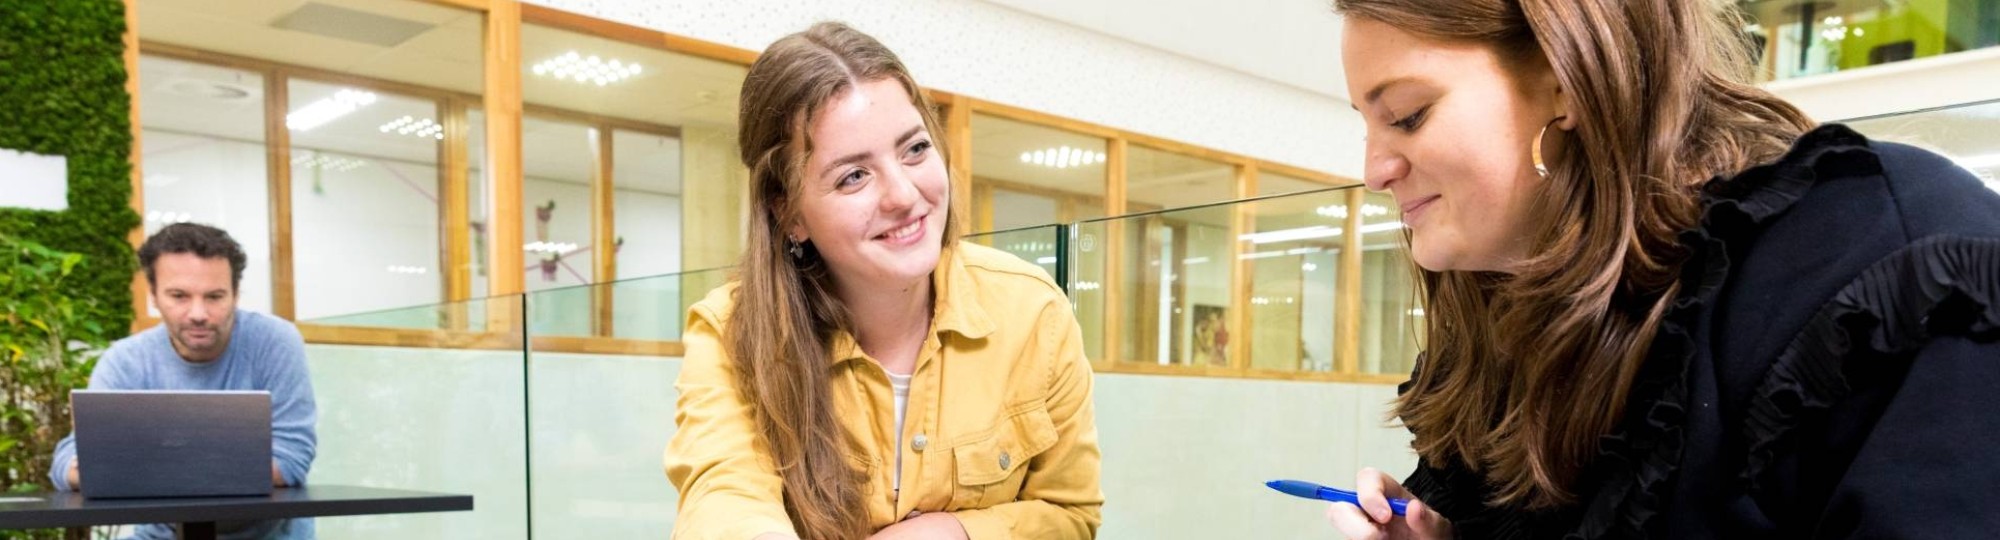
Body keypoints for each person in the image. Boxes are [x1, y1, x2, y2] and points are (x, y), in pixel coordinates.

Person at [1326, 0, 2000, 538]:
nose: (1374, 171)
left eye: (1408, 117)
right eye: (1365, 126)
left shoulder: (1887, 266)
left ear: (1567, 78)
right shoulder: (1495, 309)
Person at [664, 22, 1103, 540]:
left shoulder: (1033, 312)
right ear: (790, 215)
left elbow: (1071, 515)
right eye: (853, 175)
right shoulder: (730, 332)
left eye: (914, 149)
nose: (902, 195)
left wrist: (950, 533)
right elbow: (724, 500)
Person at [50, 223, 318, 540]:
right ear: (153, 296)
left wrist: (133, 469)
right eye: (179, 296)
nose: (198, 313)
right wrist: (216, 467)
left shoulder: (275, 342)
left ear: (235, 294)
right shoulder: (126, 359)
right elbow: (67, 464)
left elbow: (291, 461)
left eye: (215, 296)